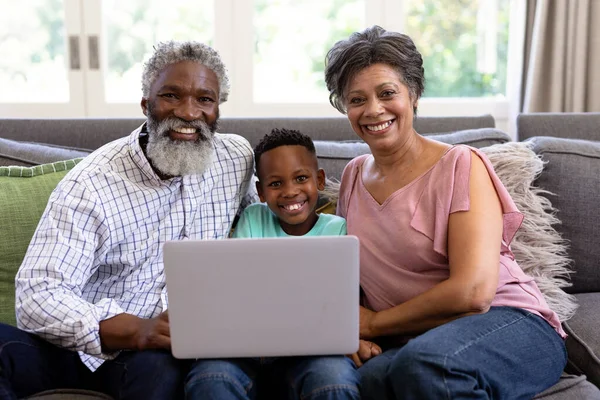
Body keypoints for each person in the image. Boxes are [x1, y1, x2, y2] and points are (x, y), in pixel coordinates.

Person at [0, 41, 257, 400]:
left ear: (217, 109)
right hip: (82, 349)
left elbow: (262, 234)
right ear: (146, 105)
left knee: (159, 367)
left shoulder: (236, 159)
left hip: (162, 357)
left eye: (204, 99)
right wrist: (138, 330)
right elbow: (38, 295)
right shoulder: (91, 184)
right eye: (171, 95)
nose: (188, 112)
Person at [323, 25, 567, 399]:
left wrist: (373, 324)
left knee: (427, 364)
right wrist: (347, 327)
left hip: (509, 324)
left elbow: (474, 293)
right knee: (365, 382)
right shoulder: (354, 175)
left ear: (414, 95)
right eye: (357, 99)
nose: (373, 110)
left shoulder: (460, 165)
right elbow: (348, 278)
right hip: (422, 338)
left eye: (387, 93)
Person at [184, 128, 362, 400]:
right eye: (276, 184)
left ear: (320, 180)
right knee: (211, 379)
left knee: (333, 381)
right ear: (261, 191)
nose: (290, 192)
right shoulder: (254, 217)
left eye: (301, 178)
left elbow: (337, 302)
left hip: (314, 349)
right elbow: (239, 286)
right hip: (245, 347)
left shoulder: (338, 228)